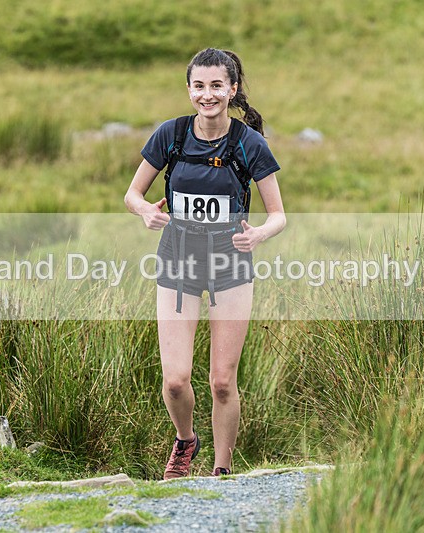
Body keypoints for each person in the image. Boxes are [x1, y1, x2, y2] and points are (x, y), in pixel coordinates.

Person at [125, 48, 286, 479]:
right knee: (176, 380)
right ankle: (185, 440)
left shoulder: (249, 144)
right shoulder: (171, 135)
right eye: (199, 86)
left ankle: (221, 471)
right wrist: (146, 212)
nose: (207, 95)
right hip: (178, 263)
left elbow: (278, 215)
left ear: (232, 90)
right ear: (189, 89)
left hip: (230, 266)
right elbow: (132, 195)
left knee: (221, 382)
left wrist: (258, 235)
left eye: (217, 86)